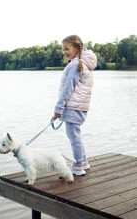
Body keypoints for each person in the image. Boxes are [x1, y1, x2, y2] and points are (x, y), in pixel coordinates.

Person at [54, 35, 97, 176]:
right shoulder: (81, 63)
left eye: (67, 49)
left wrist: (58, 109)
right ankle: (83, 161)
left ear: (76, 48)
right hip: (79, 107)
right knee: (75, 135)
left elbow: (68, 90)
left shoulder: (75, 66)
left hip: (73, 107)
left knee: (73, 137)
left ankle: (78, 166)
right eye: (63, 49)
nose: (64, 52)